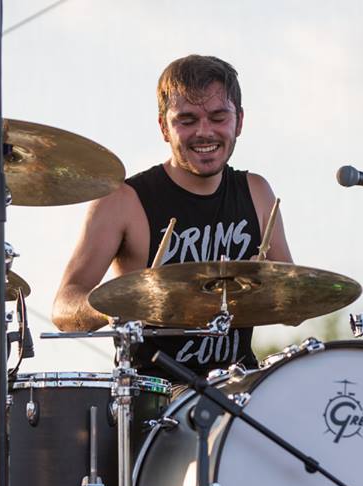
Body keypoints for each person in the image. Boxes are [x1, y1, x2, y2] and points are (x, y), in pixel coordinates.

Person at [52, 54, 292, 376]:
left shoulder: (257, 192)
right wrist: (119, 305)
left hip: (239, 388)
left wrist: (263, 286)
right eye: (187, 120)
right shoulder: (123, 200)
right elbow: (64, 307)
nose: (204, 132)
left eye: (218, 117)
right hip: (156, 396)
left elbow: (296, 305)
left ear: (239, 122)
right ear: (164, 127)